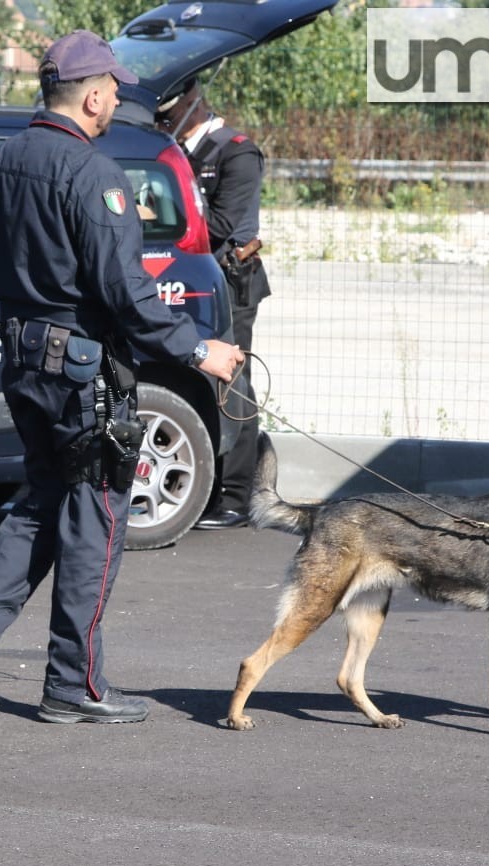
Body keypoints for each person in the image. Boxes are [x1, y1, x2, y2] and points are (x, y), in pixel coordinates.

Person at [0, 30, 242, 723]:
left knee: (40, 507)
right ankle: (74, 685)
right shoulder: (93, 174)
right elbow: (126, 292)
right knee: (95, 521)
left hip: (24, 365)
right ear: (93, 96)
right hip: (82, 375)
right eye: (114, 91)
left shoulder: (2, 163)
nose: (117, 100)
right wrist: (198, 351)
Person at [156, 78, 272, 530]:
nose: (165, 123)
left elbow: (222, 222)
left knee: (232, 381)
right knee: (195, 374)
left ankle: (237, 494)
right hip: (193, 280)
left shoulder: (235, 151)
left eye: (169, 114)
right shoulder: (174, 151)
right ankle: (207, 486)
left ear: (192, 101)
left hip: (232, 282)